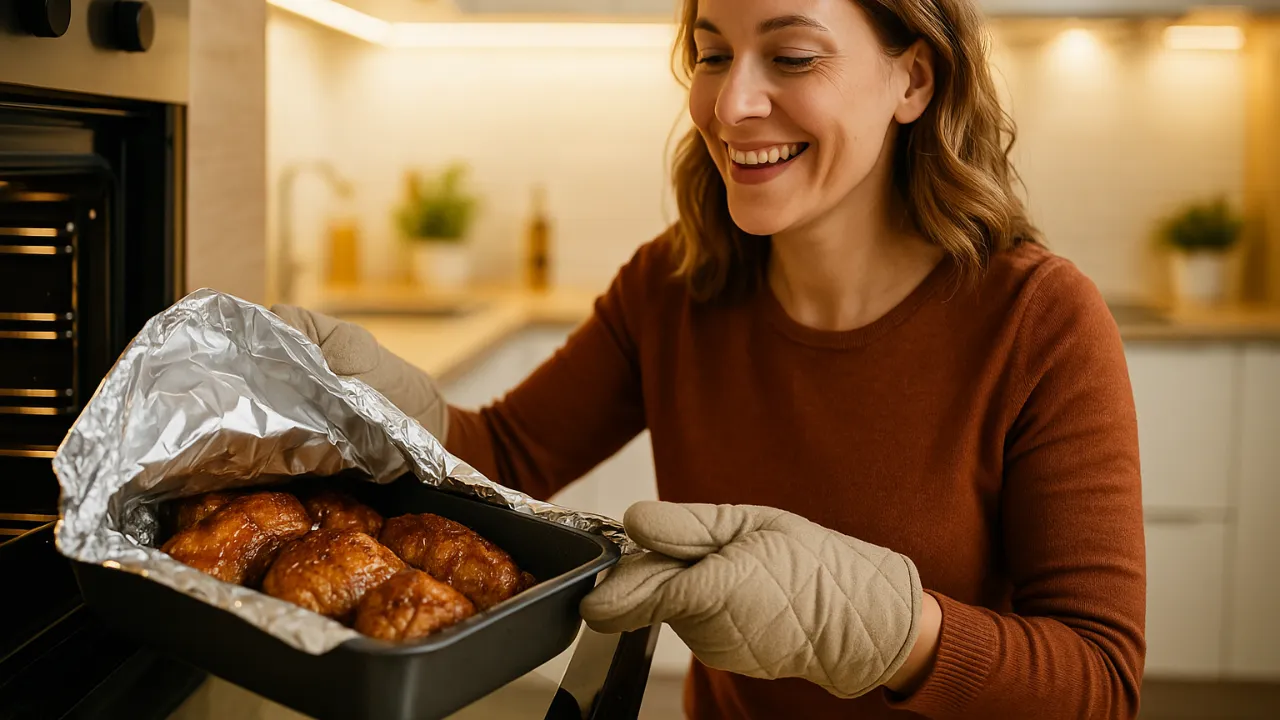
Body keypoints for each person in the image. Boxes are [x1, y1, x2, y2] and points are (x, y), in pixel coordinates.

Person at [273, 0, 1146, 717]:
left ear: (913, 78)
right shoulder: (676, 285)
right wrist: (390, 408)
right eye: (712, 54)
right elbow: (508, 459)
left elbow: (1101, 683)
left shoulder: (1039, 322)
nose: (731, 106)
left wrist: (895, 632)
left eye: (794, 57)